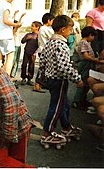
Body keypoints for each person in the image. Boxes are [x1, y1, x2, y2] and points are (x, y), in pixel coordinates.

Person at [39, 15, 84, 146]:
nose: (71, 33)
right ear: (63, 29)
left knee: (64, 104)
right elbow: (64, 66)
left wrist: (45, 73)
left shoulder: (50, 42)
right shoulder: (61, 45)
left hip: (52, 79)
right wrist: (77, 78)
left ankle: (66, 127)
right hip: (59, 80)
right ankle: (47, 132)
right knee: (56, 107)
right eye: (70, 30)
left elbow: (42, 61)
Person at [72, 26, 104, 110]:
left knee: (86, 83)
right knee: (83, 82)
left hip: (88, 64)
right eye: (93, 36)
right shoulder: (83, 43)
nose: (93, 38)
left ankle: (82, 99)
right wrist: (96, 60)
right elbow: (85, 56)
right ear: (90, 35)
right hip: (85, 64)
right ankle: (77, 101)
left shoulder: (85, 43)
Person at [0, 0, 22, 74]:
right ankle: (7, 76)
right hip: (5, 34)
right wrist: (16, 25)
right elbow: (5, 20)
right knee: (10, 55)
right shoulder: (7, 5)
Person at [33, 13, 55, 92]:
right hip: (44, 50)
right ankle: (37, 85)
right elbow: (53, 36)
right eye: (52, 20)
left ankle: (41, 83)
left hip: (45, 50)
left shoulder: (47, 28)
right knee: (42, 68)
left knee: (45, 68)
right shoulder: (44, 28)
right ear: (48, 20)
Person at [20, 21, 42, 86]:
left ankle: (29, 78)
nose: (31, 27)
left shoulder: (39, 36)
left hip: (33, 53)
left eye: (33, 26)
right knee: (24, 65)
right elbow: (22, 41)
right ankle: (23, 78)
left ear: (37, 27)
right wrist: (26, 38)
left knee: (31, 66)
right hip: (26, 52)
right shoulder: (29, 34)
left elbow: (40, 44)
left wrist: (36, 52)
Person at [10, 12, 26, 79]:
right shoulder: (12, 31)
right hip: (14, 46)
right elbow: (17, 25)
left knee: (16, 61)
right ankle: (11, 74)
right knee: (13, 61)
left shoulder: (15, 31)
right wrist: (21, 17)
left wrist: (16, 15)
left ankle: (13, 74)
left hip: (18, 46)